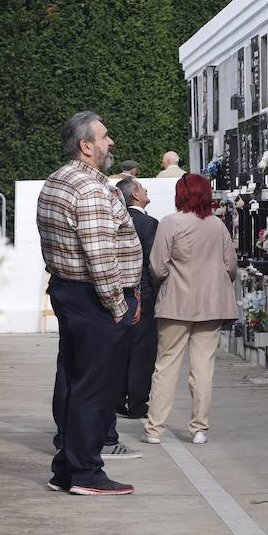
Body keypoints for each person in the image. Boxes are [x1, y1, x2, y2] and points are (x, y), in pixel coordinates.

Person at [36, 110, 143, 496]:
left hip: (69, 290)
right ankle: (86, 473)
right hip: (95, 298)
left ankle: (66, 469)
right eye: (104, 136)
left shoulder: (57, 180)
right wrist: (120, 305)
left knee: (75, 379)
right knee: (95, 387)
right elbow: (101, 257)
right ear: (86, 146)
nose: (110, 142)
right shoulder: (91, 189)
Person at [141, 174, 238, 446]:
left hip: (175, 304)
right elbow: (230, 265)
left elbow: (157, 266)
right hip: (211, 305)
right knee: (203, 368)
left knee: (166, 366)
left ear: (180, 194)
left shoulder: (170, 224)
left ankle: (155, 429)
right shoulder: (217, 226)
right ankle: (199, 428)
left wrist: (168, 279)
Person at [114, 177, 159, 419]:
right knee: (142, 350)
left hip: (114, 290)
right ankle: (138, 402)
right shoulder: (148, 223)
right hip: (142, 291)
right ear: (135, 195)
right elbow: (153, 262)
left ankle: (118, 398)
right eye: (142, 188)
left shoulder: (114, 219)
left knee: (120, 347)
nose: (146, 190)